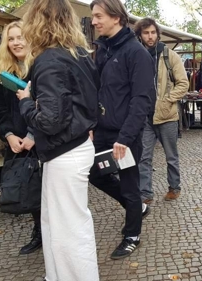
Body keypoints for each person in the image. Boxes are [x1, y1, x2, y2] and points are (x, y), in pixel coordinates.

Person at [17, 0, 100, 279]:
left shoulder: (50, 60)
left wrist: (27, 103)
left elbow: (51, 121)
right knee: (61, 227)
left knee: (69, 231)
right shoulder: (77, 54)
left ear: (38, 22)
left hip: (65, 151)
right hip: (72, 148)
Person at [90, 0, 156, 259]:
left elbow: (142, 99)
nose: (93, 21)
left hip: (124, 136)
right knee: (94, 174)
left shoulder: (136, 52)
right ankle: (136, 207)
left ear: (116, 17)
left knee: (130, 186)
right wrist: (92, 125)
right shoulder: (102, 50)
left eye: (98, 16)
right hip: (102, 131)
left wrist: (126, 138)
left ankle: (132, 235)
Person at [0, 21, 42, 256]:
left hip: (42, 143)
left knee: (50, 192)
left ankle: (53, 234)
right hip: (17, 146)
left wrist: (33, 135)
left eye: (20, 37)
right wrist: (9, 135)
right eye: (11, 38)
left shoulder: (41, 68)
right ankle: (39, 232)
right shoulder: (5, 75)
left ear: (30, 38)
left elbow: (49, 107)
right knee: (30, 190)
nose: (16, 42)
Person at [134, 17, 188, 203]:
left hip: (167, 116)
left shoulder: (169, 55)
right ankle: (145, 193)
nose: (150, 36)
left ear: (158, 33)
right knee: (144, 157)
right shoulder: (136, 55)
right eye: (146, 33)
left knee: (171, 156)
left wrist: (166, 101)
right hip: (145, 117)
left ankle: (174, 187)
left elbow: (183, 84)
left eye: (152, 32)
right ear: (140, 35)